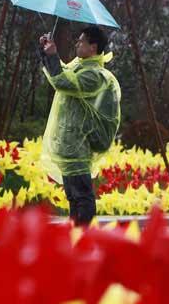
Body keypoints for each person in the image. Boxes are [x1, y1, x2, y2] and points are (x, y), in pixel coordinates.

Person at [39, 26, 121, 226]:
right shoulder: (79, 67)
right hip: (69, 147)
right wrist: (46, 51)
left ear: (93, 47)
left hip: (79, 147)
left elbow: (64, 82)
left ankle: (84, 240)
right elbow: (60, 74)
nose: (77, 43)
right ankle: (75, 241)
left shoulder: (94, 75)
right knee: (74, 198)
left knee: (82, 197)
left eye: (82, 41)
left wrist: (52, 55)